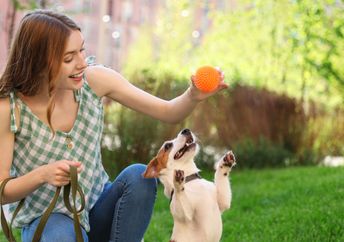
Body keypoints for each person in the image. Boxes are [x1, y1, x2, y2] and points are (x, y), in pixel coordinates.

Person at [0, 9, 227, 242]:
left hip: (99, 210)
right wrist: (41, 175)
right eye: (69, 58)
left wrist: (192, 95)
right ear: (39, 61)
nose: (80, 63)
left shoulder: (94, 80)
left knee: (139, 176)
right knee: (59, 234)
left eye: (81, 50)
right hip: (49, 223)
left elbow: (168, 112)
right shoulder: (9, 109)